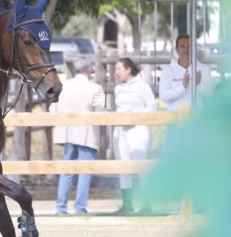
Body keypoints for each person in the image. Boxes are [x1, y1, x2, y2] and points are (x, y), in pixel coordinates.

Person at [51, 59, 106, 215]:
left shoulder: (63, 86)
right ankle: (80, 208)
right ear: (89, 71)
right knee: (84, 171)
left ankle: (60, 208)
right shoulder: (95, 88)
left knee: (66, 171)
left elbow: (52, 108)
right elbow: (99, 112)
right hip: (86, 135)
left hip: (67, 133)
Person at [113, 57, 157, 213]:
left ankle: (147, 204)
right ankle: (127, 204)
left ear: (128, 70)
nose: (116, 72)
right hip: (120, 131)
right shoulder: (118, 88)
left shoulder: (143, 87)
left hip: (138, 129)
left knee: (140, 166)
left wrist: (134, 114)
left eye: (119, 69)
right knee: (123, 167)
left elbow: (152, 107)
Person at [159, 35, 214, 112]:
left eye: (189, 46)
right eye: (182, 46)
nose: (186, 50)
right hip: (174, 119)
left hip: (198, 118)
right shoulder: (167, 70)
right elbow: (163, 96)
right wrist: (183, 87)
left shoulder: (204, 69)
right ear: (177, 49)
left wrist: (197, 86)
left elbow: (209, 95)